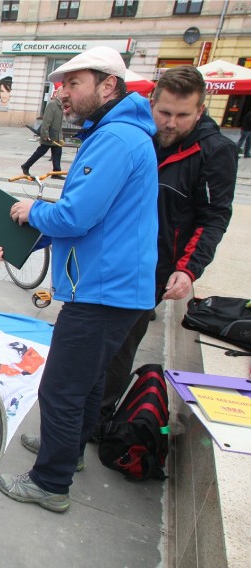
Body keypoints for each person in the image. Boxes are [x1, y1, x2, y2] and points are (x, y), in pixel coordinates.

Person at [0, 46, 159, 513]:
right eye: (61, 83)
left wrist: (31, 210)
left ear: (108, 85)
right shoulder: (120, 132)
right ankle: (68, 453)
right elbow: (94, 221)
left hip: (103, 291)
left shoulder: (115, 138)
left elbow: (77, 214)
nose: (62, 92)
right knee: (84, 383)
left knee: (61, 387)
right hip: (115, 287)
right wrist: (26, 241)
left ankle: (50, 481)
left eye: (73, 83)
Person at [96, 65, 237, 434]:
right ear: (151, 103)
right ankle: (81, 418)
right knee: (95, 342)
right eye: (165, 113)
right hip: (115, 254)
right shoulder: (141, 135)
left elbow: (213, 217)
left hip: (155, 267)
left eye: (182, 115)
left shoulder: (215, 151)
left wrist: (188, 269)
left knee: (118, 345)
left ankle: (94, 423)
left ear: (200, 111)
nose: (171, 123)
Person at [21, 91, 63, 176]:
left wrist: (61, 135)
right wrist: (45, 134)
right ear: (57, 93)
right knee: (40, 152)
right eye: (63, 92)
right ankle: (26, 166)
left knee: (57, 153)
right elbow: (46, 121)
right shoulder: (52, 104)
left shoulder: (61, 105)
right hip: (50, 135)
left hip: (56, 135)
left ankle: (56, 173)